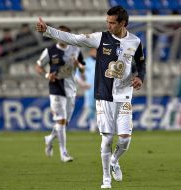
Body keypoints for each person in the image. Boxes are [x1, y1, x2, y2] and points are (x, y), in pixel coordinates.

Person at [36, 5, 146, 189]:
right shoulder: (100, 39)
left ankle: (114, 161)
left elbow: (141, 64)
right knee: (107, 139)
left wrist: (140, 78)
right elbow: (73, 38)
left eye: (112, 23)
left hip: (125, 96)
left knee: (125, 140)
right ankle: (106, 179)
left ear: (123, 23)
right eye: (107, 22)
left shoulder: (135, 41)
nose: (108, 26)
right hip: (104, 97)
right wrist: (48, 30)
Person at [35, 25, 86, 163]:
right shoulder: (50, 51)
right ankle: (63, 153)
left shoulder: (76, 49)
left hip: (71, 89)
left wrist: (78, 65)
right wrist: (47, 75)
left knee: (64, 123)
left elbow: (83, 69)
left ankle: (50, 138)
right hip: (56, 88)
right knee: (61, 121)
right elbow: (38, 66)